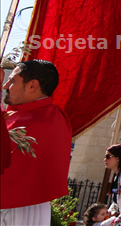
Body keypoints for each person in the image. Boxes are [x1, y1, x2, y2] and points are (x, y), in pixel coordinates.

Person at [0, 60, 72, 226]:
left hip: (19, 206)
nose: (6, 86)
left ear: (32, 86)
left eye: (12, 80)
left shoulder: (39, 120)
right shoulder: (32, 113)